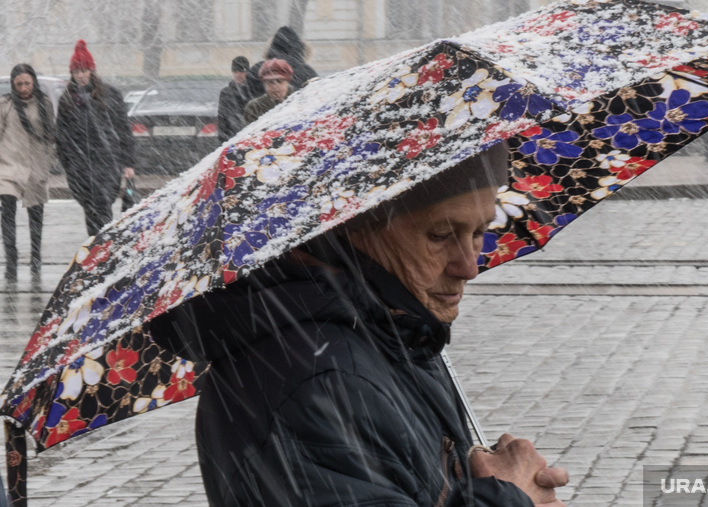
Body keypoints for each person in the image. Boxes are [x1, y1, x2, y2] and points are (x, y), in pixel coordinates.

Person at [149, 142, 569, 506]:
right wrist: (510, 497)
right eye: (441, 235)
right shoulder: (317, 381)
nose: (468, 266)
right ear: (354, 231)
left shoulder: (394, 328)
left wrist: (486, 482)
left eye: (479, 231)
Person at [56, 39, 135, 237]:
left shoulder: (110, 95)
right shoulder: (67, 100)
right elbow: (62, 136)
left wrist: (128, 162)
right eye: (76, 72)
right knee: (90, 210)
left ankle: (103, 252)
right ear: (72, 74)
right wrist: (68, 164)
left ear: (92, 71)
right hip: (80, 167)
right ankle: (96, 251)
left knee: (103, 207)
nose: (81, 76)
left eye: (84, 71)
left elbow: (123, 130)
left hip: (107, 163)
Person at [0, 63, 56, 284]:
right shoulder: (6, 104)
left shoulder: (45, 104)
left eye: (27, 83)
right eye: (19, 84)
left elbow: (51, 135)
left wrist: (49, 160)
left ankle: (35, 257)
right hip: (9, 165)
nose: (23, 88)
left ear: (34, 82)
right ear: (13, 85)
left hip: (35, 167)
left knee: (36, 216)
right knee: (7, 214)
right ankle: (11, 260)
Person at [245, 25, 317, 99]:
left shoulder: (258, 70)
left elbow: (244, 98)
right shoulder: (308, 72)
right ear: (300, 48)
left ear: (272, 47)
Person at [243, 59, 295, 124]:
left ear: (287, 82)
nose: (275, 87)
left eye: (280, 81)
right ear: (264, 84)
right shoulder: (254, 107)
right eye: (270, 82)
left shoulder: (298, 103)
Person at [217, 56, 252, 143]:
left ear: (247, 72)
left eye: (242, 71)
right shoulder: (226, 93)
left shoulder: (252, 90)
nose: (238, 74)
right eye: (235, 71)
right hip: (232, 138)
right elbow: (222, 119)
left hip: (250, 136)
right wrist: (223, 140)